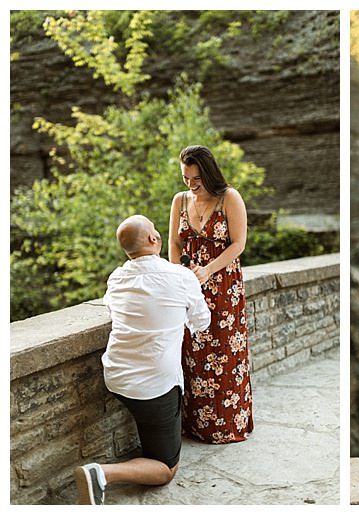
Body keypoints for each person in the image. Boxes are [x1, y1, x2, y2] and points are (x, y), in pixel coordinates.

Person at [74, 215, 211, 505]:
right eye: (155, 230)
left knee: (150, 420)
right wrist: (192, 286)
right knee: (165, 468)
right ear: (153, 240)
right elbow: (202, 322)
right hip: (154, 387)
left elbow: (116, 305)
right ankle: (100, 474)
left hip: (116, 376)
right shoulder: (181, 276)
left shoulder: (117, 277)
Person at [168, 144, 254, 444]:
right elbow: (174, 248)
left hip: (224, 287)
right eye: (185, 178)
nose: (191, 185)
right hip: (189, 287)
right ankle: (197, 425)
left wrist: (209, 270)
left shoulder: (229, 198)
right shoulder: (179, 201)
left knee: (225, 354)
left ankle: (228, 424)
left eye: (196, 179)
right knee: (193, 353)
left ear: (208, 173)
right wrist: (181, 278)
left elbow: (238, 244)